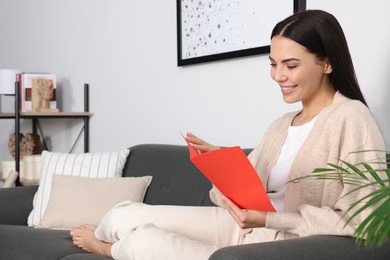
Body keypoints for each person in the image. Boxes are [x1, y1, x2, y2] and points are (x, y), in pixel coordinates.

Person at [70, 9, 386, 259]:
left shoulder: (352, 118)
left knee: (144, 242)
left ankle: (111, 250)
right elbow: (235, 198)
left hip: (279, 243)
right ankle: (117, 241)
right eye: (273, 64)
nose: (278, 76)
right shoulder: (281, 125)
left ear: (327, 63)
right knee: (122, 215)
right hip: (238, 227)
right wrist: (222, 163)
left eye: (291, 65)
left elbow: (364, 222)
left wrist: (268, 220)